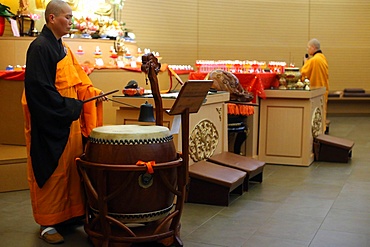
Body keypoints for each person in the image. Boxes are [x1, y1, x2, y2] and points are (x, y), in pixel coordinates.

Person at [21, 0, 106, 244]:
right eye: (67, 17)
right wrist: (69, 107)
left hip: (68, 123)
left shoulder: (63, 48)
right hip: (49, 123)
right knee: (52, 172)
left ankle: (68, 215)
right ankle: (47, 224)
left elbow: (78, 82)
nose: (71, 21)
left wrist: (91, 96)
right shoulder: (39, 47)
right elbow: (39, 91)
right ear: (51, 19)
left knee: (70, 169)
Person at [301, 38, 329, 131]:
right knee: (321, 113)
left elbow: (303, 73)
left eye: (308, 47)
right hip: (323, 89)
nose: (307, 49)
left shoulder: (314, 60)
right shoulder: (322, 58)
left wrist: (305, 63)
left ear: (313, 47)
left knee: (315, 115)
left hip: (315, 90)